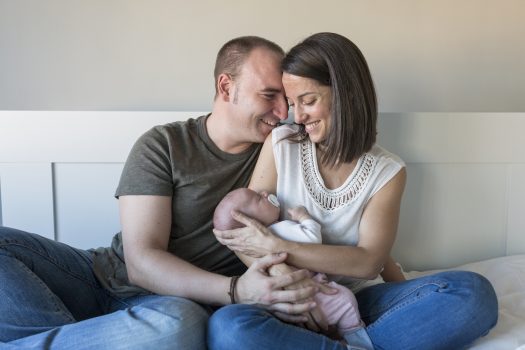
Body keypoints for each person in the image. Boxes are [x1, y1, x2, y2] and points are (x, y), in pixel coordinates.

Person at [0, 36, 323, 349]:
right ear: (226, 87)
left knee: (180, 325)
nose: (283, 112)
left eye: (286, 99)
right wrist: (237, 289)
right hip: (97, 278)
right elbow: (140, 261)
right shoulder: (164, 144)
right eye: (269, 96)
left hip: (169, 307)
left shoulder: (284, 152)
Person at [209, 32, 499, 350]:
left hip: (359, 302)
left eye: (307, 100)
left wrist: (277, 245)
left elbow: (367, 263)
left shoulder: (387, 172)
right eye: (293, 104)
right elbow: (245, 234)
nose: (297, 116)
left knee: (473, 294)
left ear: (345, 95)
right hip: (291, 296)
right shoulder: (280, 145)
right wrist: (293, 286)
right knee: (228, 329)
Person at [214, 187, 374, 349]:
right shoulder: (280, 230)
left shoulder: (264, 242)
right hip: (311, 293)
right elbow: (312, 239)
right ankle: (357, 338)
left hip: (287, 303)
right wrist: (304, 217)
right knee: (345, 300)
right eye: (258, 198)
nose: (264, 192)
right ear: (251, 223)